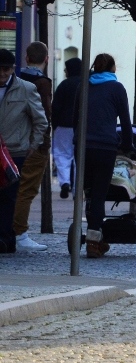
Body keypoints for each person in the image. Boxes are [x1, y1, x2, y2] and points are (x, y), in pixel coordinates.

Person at [80, 53, 133, 258]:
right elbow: (125, 121)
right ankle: (93, 241)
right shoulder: (116, 88)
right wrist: (127, 145)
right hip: (105, 147)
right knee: (99, 194)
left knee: (89, 193)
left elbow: (76, 117)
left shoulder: (84, 86)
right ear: (113, 68)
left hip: (83, 146)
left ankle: (94, 235)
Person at [0, 49, 48, 254]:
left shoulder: (26, 89)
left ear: (13, 69)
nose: (2, 74)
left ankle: (6, 239)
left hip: (14, 151)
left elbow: (41, 121)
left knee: (9, 197)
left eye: (6, 69)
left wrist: (32, 146)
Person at [12, 42, 53, 252]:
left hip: (12, 141)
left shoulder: (15, 80)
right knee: (26, 189)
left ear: (26, 58)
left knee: (11, 189)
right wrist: (42, 143)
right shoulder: (42, 83)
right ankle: (19, 233)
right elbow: (44, 116)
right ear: (46, 59)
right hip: (33, 145)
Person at [50, 57, 82, 198]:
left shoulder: (64, 85)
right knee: (79, 157)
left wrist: (54, 124)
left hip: (63, 125)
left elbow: (55, 107)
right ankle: (77, 189)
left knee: (62, 154)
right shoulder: (86, 84)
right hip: (81, 126)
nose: (64, 71)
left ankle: (64, 182)